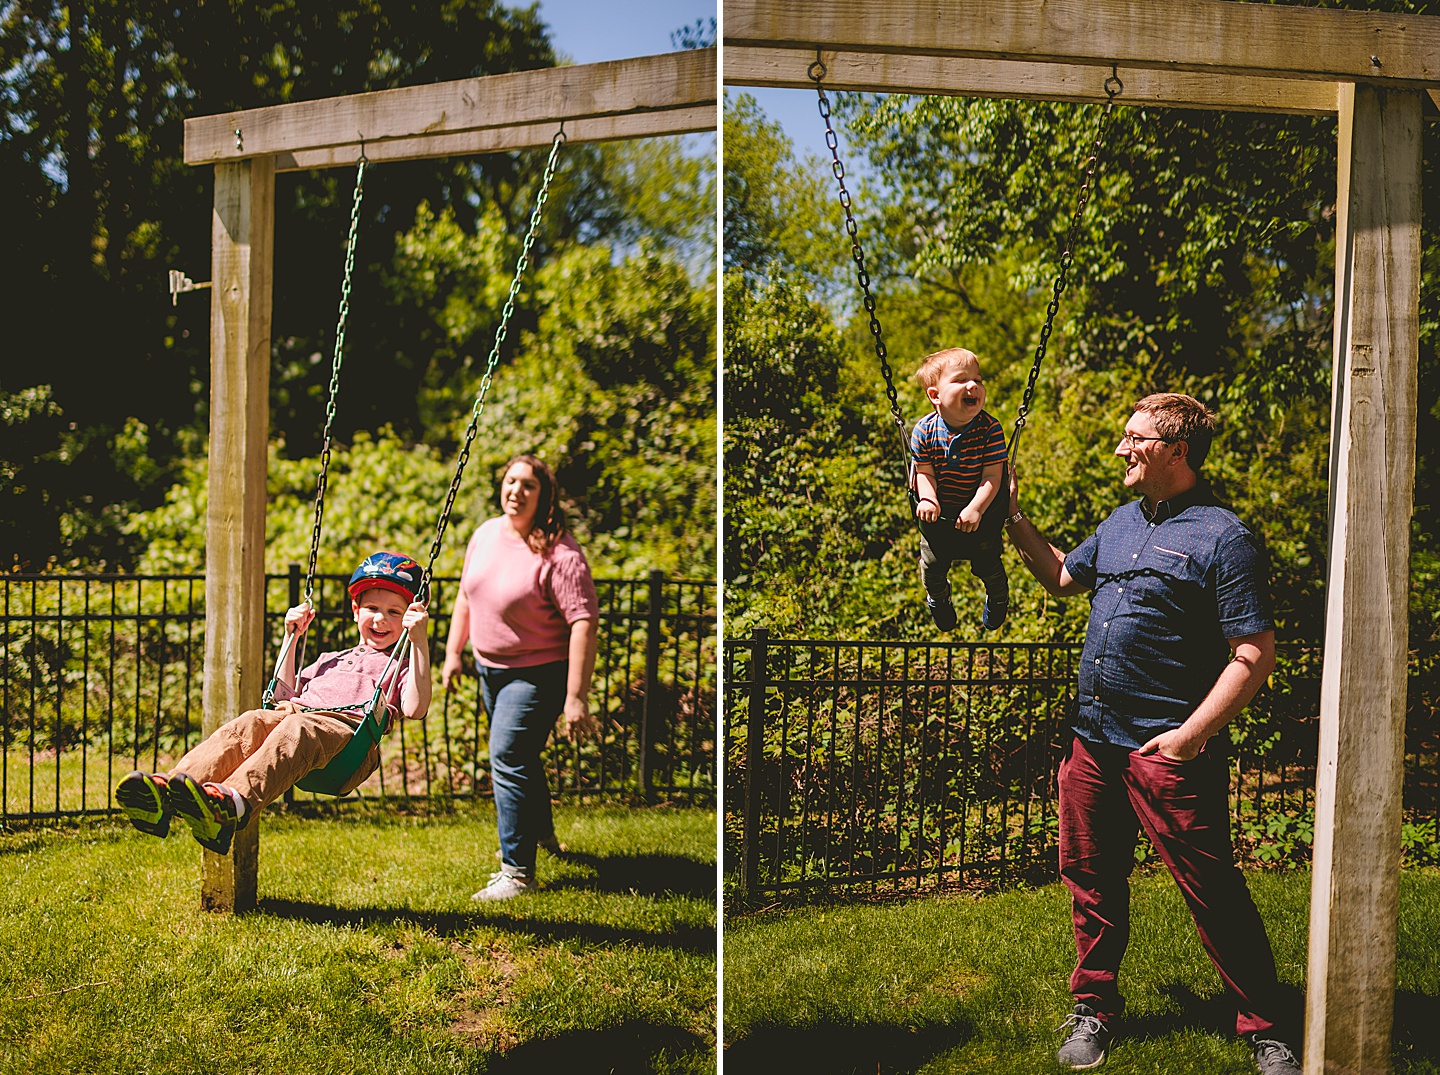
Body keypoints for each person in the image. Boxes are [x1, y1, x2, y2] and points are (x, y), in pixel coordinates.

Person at [1003, 393, 1300, 1075]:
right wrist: (1012, 516)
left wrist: (1192, 735)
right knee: (1091, 881)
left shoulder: (1223, 535)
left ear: (1175, 451)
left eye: (1134, 438)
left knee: (1212, 889)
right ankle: (1093, 1006)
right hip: (1092, 742)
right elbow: (1059, 576)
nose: (1120, 449)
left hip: (1166, 749)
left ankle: (1265, 1025)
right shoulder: (1118, 522)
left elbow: (1253, 653)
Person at [116, 552, 432, 854]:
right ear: (355, 610)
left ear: (409, 619)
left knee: (298, 726)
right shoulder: (330, 659)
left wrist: (419, 643)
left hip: (348, 742)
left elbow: (414, 709)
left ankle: (234, 804)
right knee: (252, 720)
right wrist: (290, 637)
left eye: (395, 612)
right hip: (297, 717)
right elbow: (282, 697)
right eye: (372, 608)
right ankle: (169, 793)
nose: (380, 619)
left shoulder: (402, 665)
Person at [441, 454, 599, 902]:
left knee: (507, 756)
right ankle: (542, 836)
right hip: (490, 668)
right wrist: (454, 653)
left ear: (543, 495)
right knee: (522, 758)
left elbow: (583, 622)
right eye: (511, 481)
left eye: (528, 485)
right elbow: (466, 595)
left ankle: (517, 872)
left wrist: (576, 696)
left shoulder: (560, 553)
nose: (516, 491)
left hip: (537, 674)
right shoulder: (486, 534)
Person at [910, 347, 1010, 632]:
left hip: (980, 514)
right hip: (939, 518)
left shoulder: (989, 429)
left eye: (978, 380)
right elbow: (924, 472)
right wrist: (928, 499)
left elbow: (993, 476)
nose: (973, 386)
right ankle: (938, 601)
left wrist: (976, 508)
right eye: (961, 380)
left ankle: (998, 597)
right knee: (931, 568)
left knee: (989, 565)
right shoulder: (923, 431)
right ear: (935, 396)